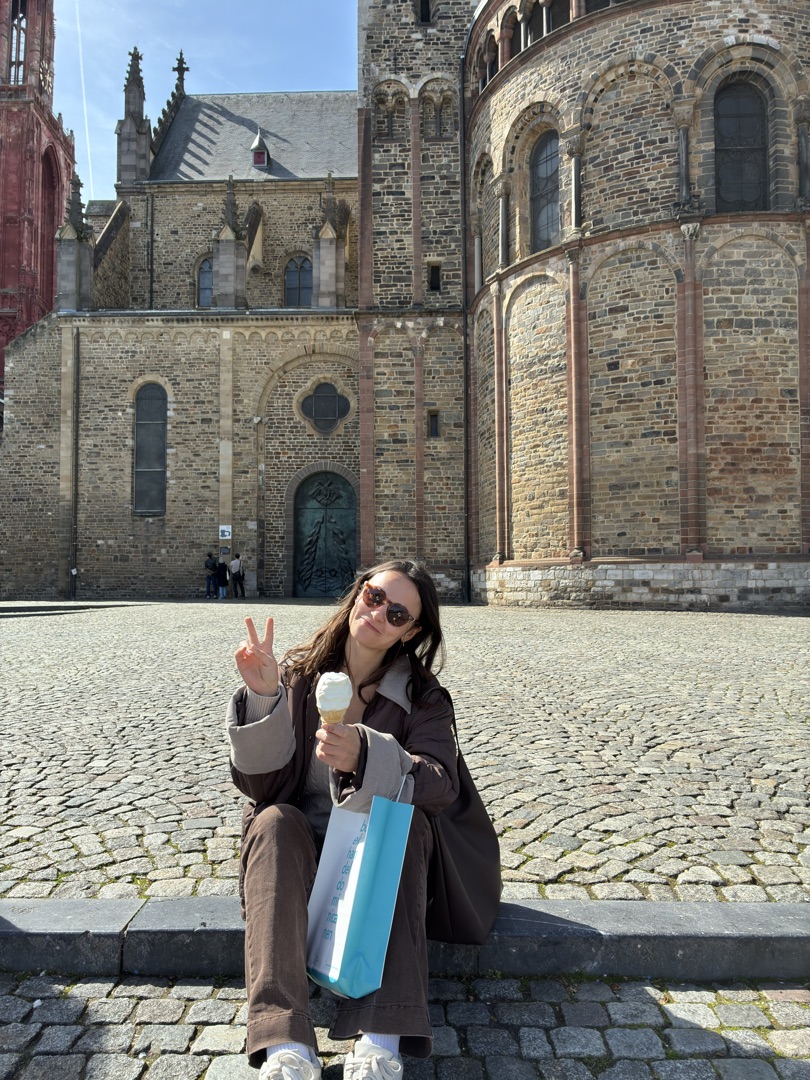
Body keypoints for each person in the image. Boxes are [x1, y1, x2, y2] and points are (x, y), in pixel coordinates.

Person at [227, 560, 483, 1080]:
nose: (378, 614)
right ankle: (284, 1046)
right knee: (273, 820)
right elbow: (262, 789)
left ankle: (380, 1039)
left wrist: (368, 755)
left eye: (397, 614)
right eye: (374, 596)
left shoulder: (423, 698)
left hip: (375, 864)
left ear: (410, 631)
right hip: (298, 858)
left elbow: (440, 784)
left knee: (406, 821)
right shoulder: (297, 677)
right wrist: (264, 698)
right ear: (358, 594)